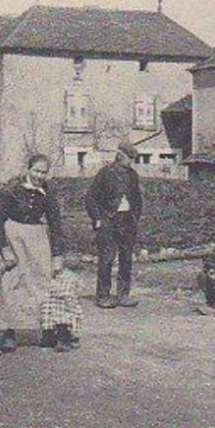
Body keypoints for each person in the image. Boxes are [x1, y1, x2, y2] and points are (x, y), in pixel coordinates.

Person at [0, 153, 64, 349]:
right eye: (36, 171)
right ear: (28, 169)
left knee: (41, 282)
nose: (40, 175)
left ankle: (47, 329)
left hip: (37, 238)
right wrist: (3, 248)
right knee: (12, 282)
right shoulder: (11, 189)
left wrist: (57, 254)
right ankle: (9, 331)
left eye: (44, 172)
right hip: (14, 236)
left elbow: (56, 224)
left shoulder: (48, 193)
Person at [85, 141, 143, 308]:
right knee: (107, 258)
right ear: (120, 155)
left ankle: (123, 295)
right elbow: (91, 198)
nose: (130, 161)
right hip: (109, 220)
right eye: (128, 157)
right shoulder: (105, 173)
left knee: (126, 258)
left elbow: (137, 199)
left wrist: (135, 217)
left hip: (127, 221)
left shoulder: (133, 175)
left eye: (132, 158)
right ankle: (103, 295)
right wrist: (97, 219)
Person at [41, 261, 83, 351]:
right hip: (60, 302)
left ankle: (55, 338)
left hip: (53, 301)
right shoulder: (74, 278)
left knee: (53, 316)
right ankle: (59, 340)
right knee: (62, 318)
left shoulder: (61, 277)